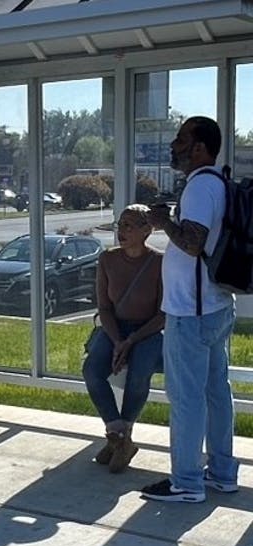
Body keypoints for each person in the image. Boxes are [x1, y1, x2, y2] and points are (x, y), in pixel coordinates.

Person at [141, 115, 237, 503]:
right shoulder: (220, 183)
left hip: (191, 312)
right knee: (216, 393)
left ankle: (186, 482)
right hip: (215, 306)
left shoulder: (199, 187)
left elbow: (194, 243)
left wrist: (163, 221)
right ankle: (223, 473)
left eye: (181, 139)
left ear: (199, 148)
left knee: (186, 399)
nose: (173, 145)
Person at [83, 204, 164, 473]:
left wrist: (131, 341)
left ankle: (122, 436)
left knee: (139, 373)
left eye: (129, 225)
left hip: (148, 330)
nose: (122, 231)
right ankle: (117, 433)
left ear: (146, 230)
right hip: (114, 328)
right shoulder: (107, 259)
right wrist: (119, 340)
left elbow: (163, 314)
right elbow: (104, 308)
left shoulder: (159, 262)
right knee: (92, 370)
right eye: (120, 224)